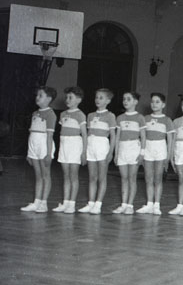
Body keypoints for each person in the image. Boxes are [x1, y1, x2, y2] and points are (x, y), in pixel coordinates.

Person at [78, 88, 116, 215]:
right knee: (92, 177)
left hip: (102, 146)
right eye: (96, 97)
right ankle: (90, 203)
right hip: (91, 145)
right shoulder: (90, 115)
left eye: (101, 98)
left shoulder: (110, 116)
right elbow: (88, 133)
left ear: (108, 101)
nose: (97, 100)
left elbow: (113, 136)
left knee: (101, 177)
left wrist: (110, 152)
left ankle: (98, 204)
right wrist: (84, 150)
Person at [21, 86, 57, 213]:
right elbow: (31, 134)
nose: (37, 97)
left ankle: (44, 203)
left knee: (45, 175)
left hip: (44, 145)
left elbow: (50, 135)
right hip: (33, 145)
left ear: (49, 99)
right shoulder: (34, 113)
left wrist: (48, 153)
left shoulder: (50, 114)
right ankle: (36, 202)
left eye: (40, 95)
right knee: (38, 176)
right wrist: (29, 153)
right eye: (37, 95)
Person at [138, 92, 174, 215]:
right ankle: (149, 204)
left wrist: (168, 155)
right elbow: (142, 136)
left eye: (157, 102)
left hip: (160, 148)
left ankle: (157, 205)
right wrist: (142, 151)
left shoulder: (167, 120)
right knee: (148, 178)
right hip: (148, 147)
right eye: (152, 101)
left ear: (163, 104)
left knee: (158, 178)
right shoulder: (145, 118)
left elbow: (170, 140)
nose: (154, 104)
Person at [52, 86, 86, 214]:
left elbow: (84, 135)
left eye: (70, 97)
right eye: (66, 97)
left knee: (73, 176)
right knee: (65, 176)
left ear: (78, 100)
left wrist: (84, 152)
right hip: (64, 145)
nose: (67, 100)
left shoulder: (80, 115)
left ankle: (72, 204)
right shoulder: (62, 114)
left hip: (75, 145)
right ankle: (65, 202)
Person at [113, 92, 146, 215]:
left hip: (134, 148)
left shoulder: (140, 117)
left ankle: (130, 205)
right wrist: (116, 153)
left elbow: (143, 137)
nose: (125, 101)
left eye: (128, 99)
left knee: (132, 178)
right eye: (124, 99)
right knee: (124, 178)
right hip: (122, 148)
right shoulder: (120, 118)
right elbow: (117, 137)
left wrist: (142, 153)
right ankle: (123, 204)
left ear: (135, 102)